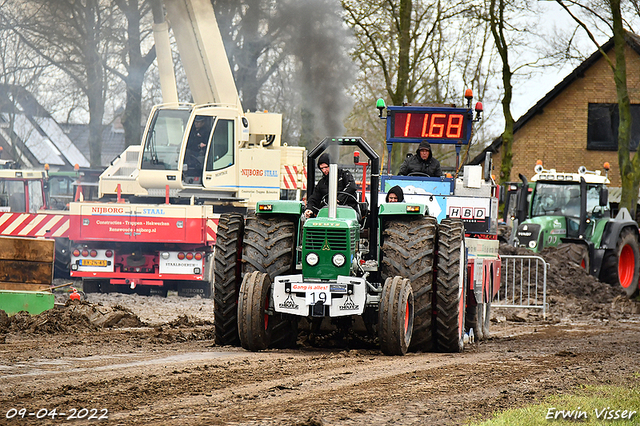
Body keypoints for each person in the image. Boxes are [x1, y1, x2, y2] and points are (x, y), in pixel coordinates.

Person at [304, 153, 358, 218]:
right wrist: (310, 208)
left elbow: (351, 187)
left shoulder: (345, 175)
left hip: (348, 210)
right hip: (327, 212)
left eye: (326, 167)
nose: (324, 170)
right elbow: (314, 198)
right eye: (322, 168)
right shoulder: (322, 183)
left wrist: (338, 199)